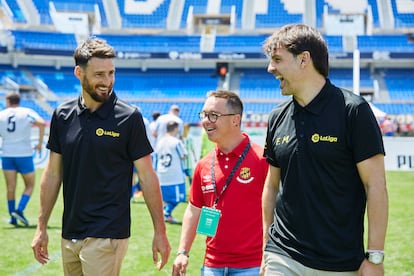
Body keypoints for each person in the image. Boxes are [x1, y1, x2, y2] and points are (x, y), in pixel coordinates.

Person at [31, 37, 171, 275]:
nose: (107, 81)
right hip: (70, 232)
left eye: (111, 73)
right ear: (79, 72)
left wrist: (160, 232)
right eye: (99, 75)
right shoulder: (62, 115)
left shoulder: (130, 117)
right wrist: (41, 227)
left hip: (108, 234)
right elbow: (53, 173)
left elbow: (147, 177)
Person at [261, 23, 388, 276]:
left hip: (339, 262)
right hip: (282, 256)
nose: (270, 68)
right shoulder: (277, 117)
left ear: (304, 59)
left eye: (277, 59)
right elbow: (272, 186)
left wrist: (374, 256)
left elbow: (375, 186)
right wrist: (267, 246)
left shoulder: (353, 110)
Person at [172, 90, 269, 276]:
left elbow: (277, 210)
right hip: (212, 266)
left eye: (213, 115)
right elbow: (194, 209)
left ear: (235, 120)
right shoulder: (203, 165)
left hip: (253, 265)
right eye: (204, 114)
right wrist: (183, 252)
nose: (206, 120)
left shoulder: (262, 160)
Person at [0, 92, 46, 227]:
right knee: (30, 185)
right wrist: (39, 143)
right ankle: (19, 210)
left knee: (10, 187)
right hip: (24, 154)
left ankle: (13, 218)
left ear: (8, 102)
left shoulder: (2, 114)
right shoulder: (26, 112)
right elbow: (42, 123)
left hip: (7, 154)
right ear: (18, 101)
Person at [155, 121, 188, 224]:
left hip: (161, 174)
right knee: (179, 198)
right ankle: (166, 213)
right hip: (175, 175)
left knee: (165, 199)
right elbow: (184, 155)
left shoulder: (159, 141)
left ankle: (165, 215)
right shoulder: (176, 142)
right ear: (176, 129)